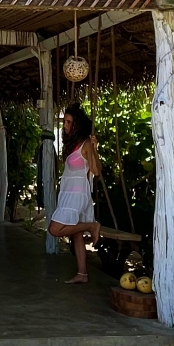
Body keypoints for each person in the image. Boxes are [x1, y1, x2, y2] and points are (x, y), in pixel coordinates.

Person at [48, 103, 103, 284]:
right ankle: (82, 273)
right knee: (75, 234)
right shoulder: (73, 143)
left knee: (54, 229)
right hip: (68, 193)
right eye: (64, 121)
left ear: (77, 124)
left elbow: (96, 170)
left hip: (78, 195)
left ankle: (91, 226)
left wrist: (93, 148)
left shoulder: (86, 143)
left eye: (69, 122)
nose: (65, 125)